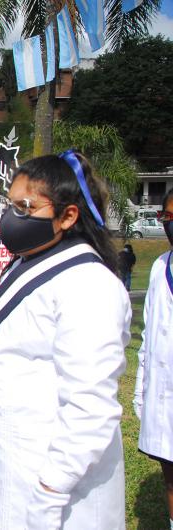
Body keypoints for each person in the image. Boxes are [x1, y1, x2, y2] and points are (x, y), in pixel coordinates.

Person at [0, 152, 130, 529]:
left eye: (25, 207)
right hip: (10, 463)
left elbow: (91, 407)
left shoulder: (89, 285)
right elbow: (6, 344)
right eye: (11, 205)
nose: (12, 217)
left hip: (53, 481)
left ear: (68, 216)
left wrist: (52, 488)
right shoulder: (27, 264)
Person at [134, 188, 173, 530]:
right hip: (164, 394)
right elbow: (148, 334)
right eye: (168, 218)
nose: (171, 224)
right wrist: (140, 391)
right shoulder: (160, 267)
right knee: (170, 472)